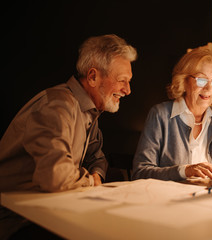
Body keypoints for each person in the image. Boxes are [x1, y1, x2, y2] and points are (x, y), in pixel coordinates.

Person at [0, 34, 137, 239]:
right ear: (92, 77)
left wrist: (96, 175)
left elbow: (97, 158)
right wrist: (90, 182)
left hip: (49, 210)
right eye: (122, 81)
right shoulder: (57, 107)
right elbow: (54, 176)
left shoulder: (90, 112)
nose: (127, 90)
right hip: (16, 220)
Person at [132, 47, 212, 183]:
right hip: (172, 200)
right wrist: (186, 171)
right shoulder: (161, 115)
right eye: (201, 80)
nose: (208, 88)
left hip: (209, 199)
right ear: (183, 80)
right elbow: (140, 173)